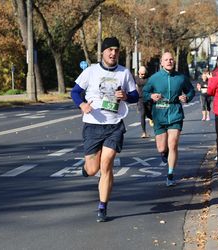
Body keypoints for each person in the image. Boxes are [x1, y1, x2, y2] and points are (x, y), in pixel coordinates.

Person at [70, 37, 139, 222]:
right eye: (110, 50)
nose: (113, 53)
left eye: (116, 50)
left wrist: (125, 96)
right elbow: (75, 92)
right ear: (103, 52)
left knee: (106, 164)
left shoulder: (124, 73)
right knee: (93, 169)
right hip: (93, 124)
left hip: (114, 124)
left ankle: (102, 207)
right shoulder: (91, 71)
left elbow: (134, 96)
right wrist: (82, 105)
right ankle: (87, 169)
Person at [143, 52, 195, 186]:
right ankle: (164, 153)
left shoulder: (180, 77)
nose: (169, 62)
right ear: (161, 62)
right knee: (161, 148)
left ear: (174, 61)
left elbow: (191, 90)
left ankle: (170, 175)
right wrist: (151, 96)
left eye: (171, 59)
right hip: (159, 114)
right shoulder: (154, 78)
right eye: (166, 60)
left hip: (175, 112)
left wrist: (186, 97)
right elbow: (145, 93)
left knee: (173, 144)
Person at [135, 66, 150, 138]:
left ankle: (151, 119)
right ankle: (144, 132)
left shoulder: (149, 79)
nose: (141, 76)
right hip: (140, 99)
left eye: (143, 74)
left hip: (148, 99)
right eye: (140, 74)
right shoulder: (136, 78)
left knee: (150, 115)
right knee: (142, 114)